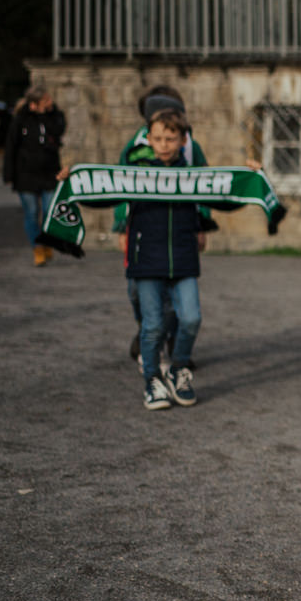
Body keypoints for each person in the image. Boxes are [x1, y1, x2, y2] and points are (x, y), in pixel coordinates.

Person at [120, 109, 209, 410]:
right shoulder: (137, 174)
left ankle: (177, 368)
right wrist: (72, 178)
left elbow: (226, 194)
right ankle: (151, 380)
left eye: (171, 138)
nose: (164, 144)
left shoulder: (195, 174)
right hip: (146, 258)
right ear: (149, 139)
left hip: (183, 257)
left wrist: (252, 172)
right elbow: (101, 192)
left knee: (192, 317)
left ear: (183, 140)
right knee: (153, 324)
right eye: (157, 138)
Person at [5, 86, 64, 267]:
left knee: (49, 211)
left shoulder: (52, 118)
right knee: (31, 213)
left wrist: (51, 112)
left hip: (48, 173)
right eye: (45, 100)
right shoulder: (20, 121)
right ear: (34, 104)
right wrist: (9, 174)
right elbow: (11, 147)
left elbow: (60, 130)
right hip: (26, 176)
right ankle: (37, 247)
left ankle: (46, 241)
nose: (50, 102)